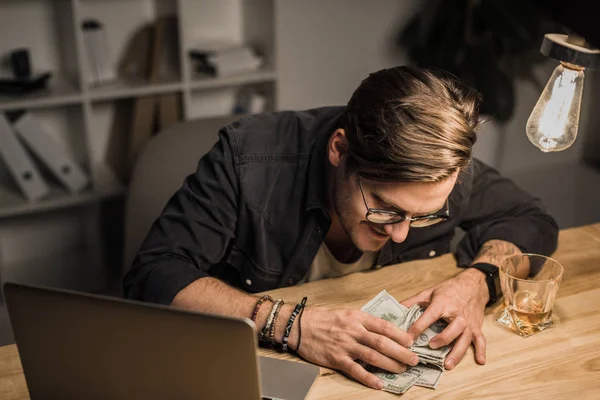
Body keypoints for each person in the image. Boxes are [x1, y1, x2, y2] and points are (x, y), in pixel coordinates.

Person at [124, 66, 558, 390]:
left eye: (423, 215)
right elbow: (155, 274)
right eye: (386, 210)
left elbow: (530, 220)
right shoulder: (249, 160)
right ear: (339, 149)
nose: (402, 233)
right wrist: (289, 323)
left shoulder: (439, 168)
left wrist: (477, 282)